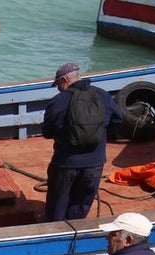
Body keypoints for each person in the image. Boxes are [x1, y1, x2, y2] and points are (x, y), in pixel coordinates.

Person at [41, 62, 123, 222]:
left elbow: (47, 132)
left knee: (57, 205)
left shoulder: (58, 101)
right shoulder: (103, 95)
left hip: (65, 163)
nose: (58, 89)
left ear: (64, 80)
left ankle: (55, 230)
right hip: (95, 163)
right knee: (81, 203)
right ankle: (76, 229)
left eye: (58, 85)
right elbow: (118, 120)